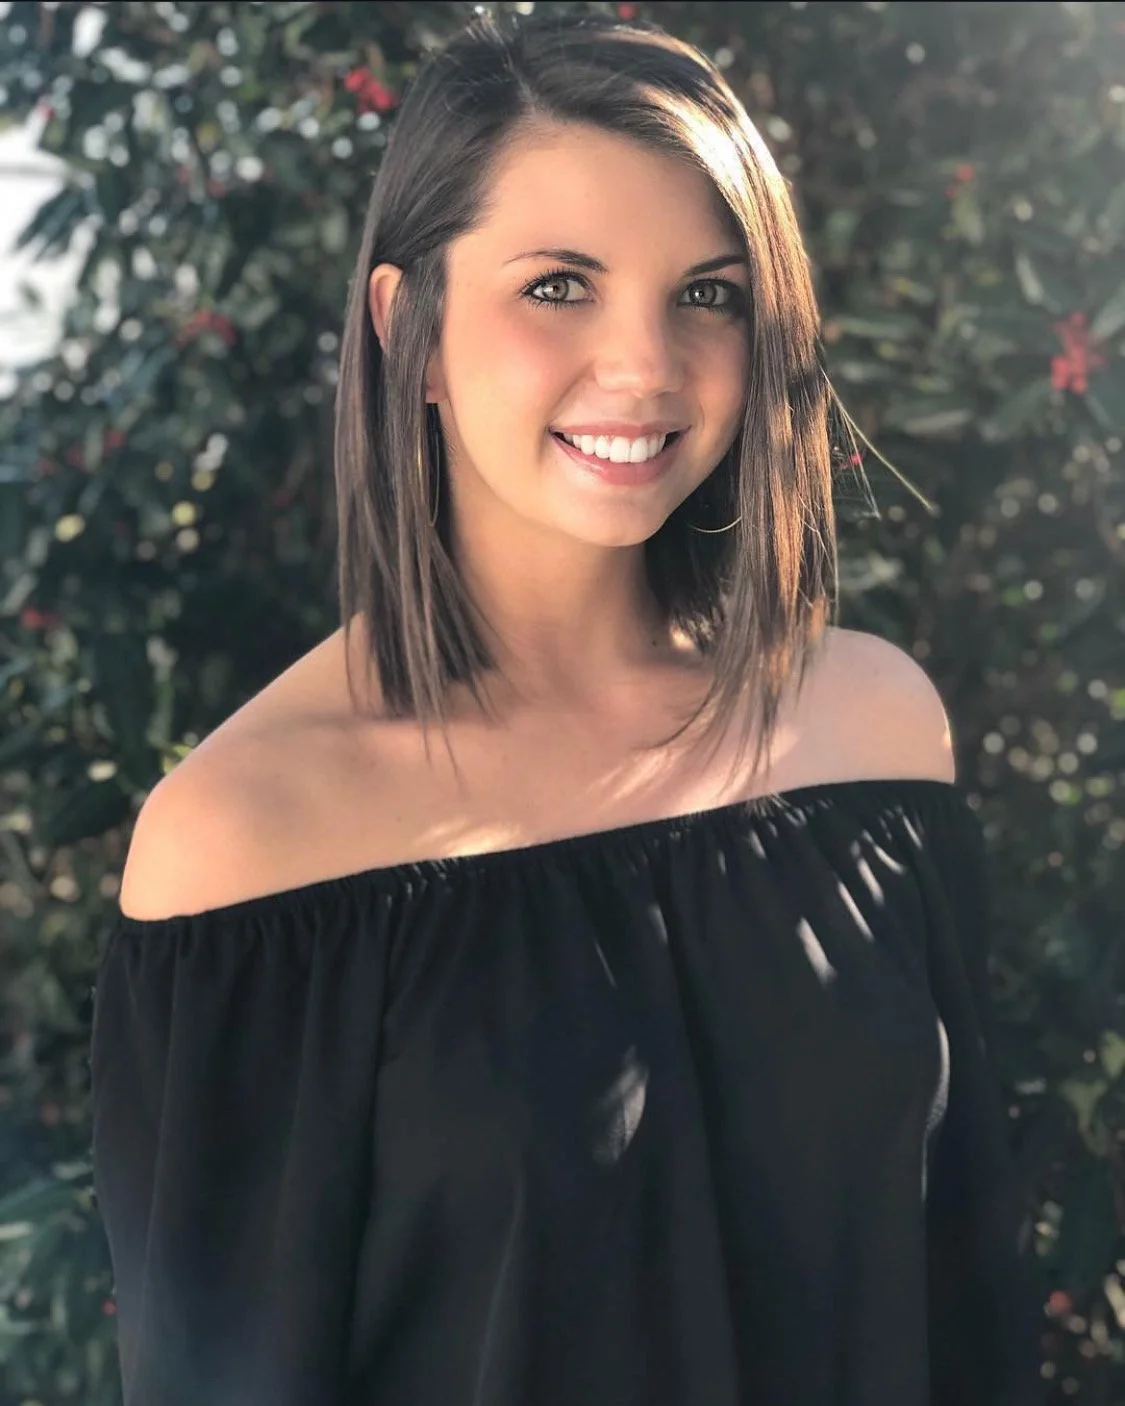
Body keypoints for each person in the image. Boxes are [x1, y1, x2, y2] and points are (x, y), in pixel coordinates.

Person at [90, 10, 1043, 1406]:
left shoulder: (873, 733)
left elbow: (965, 1297)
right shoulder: (246, 844)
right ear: (409, 329)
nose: (646, 363)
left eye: (707, 293)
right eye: (557, 286)